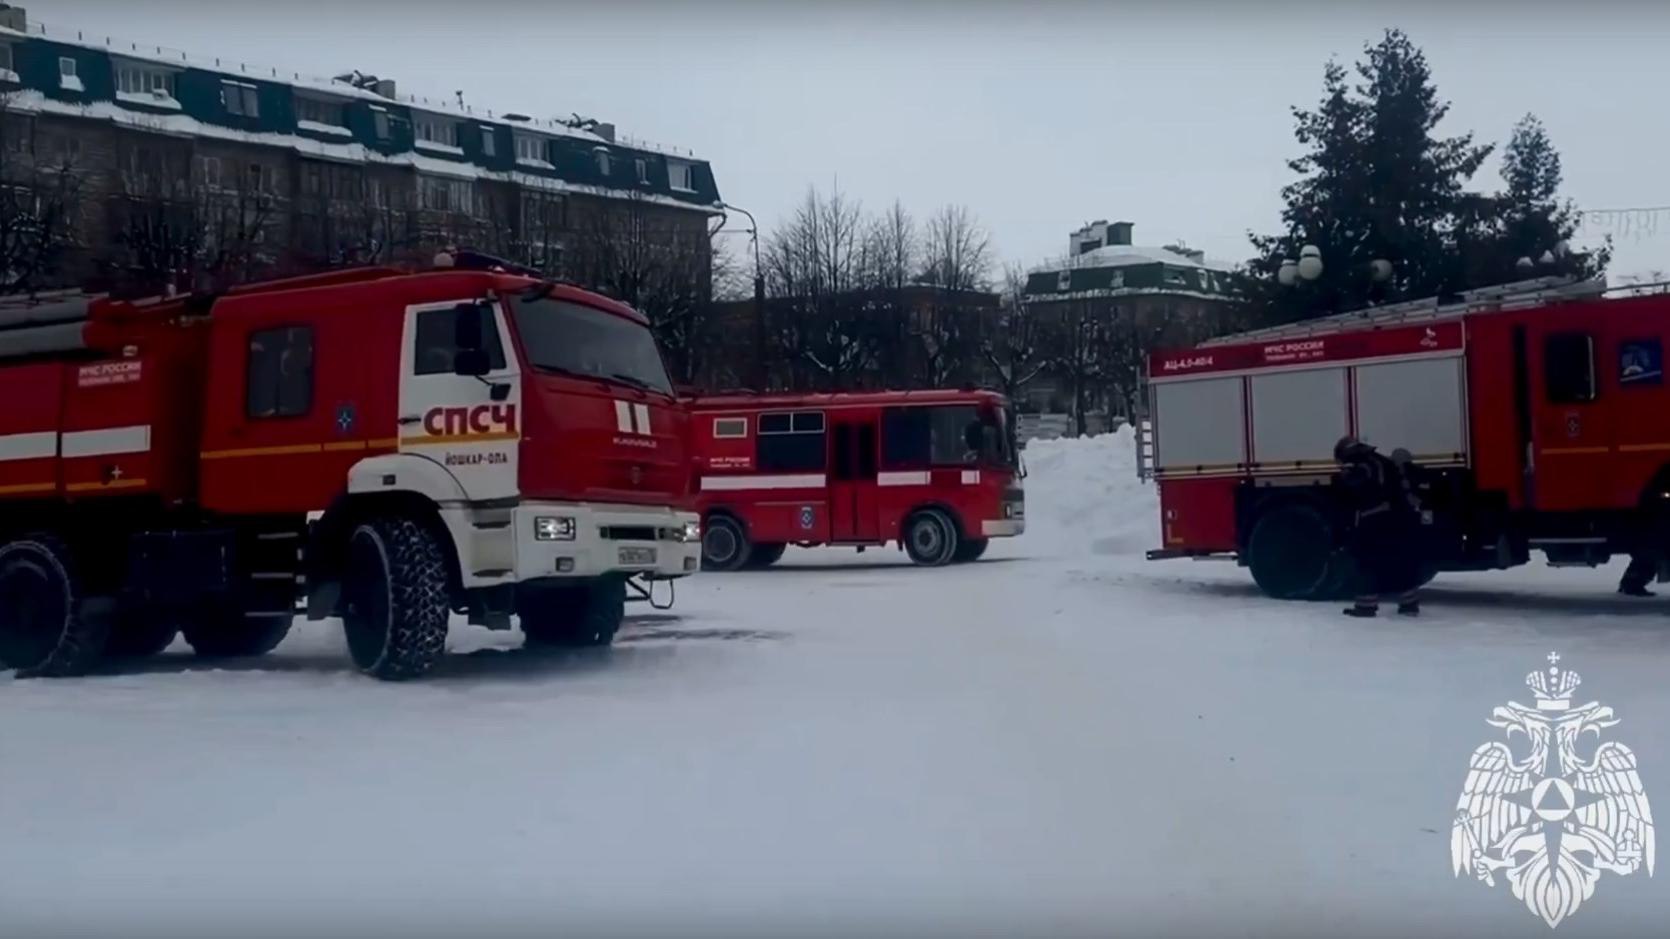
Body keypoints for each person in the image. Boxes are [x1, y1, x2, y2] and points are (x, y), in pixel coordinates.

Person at [1334, 436, 1426, 618]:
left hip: (1375, 520)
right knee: (1400, 561)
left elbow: (1355, 486)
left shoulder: (1361, 464)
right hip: (1398, 519)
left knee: (1366, 561)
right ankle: (1409, 604)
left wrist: (1344, 478)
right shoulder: (1380, 460)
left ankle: (1365, 606)